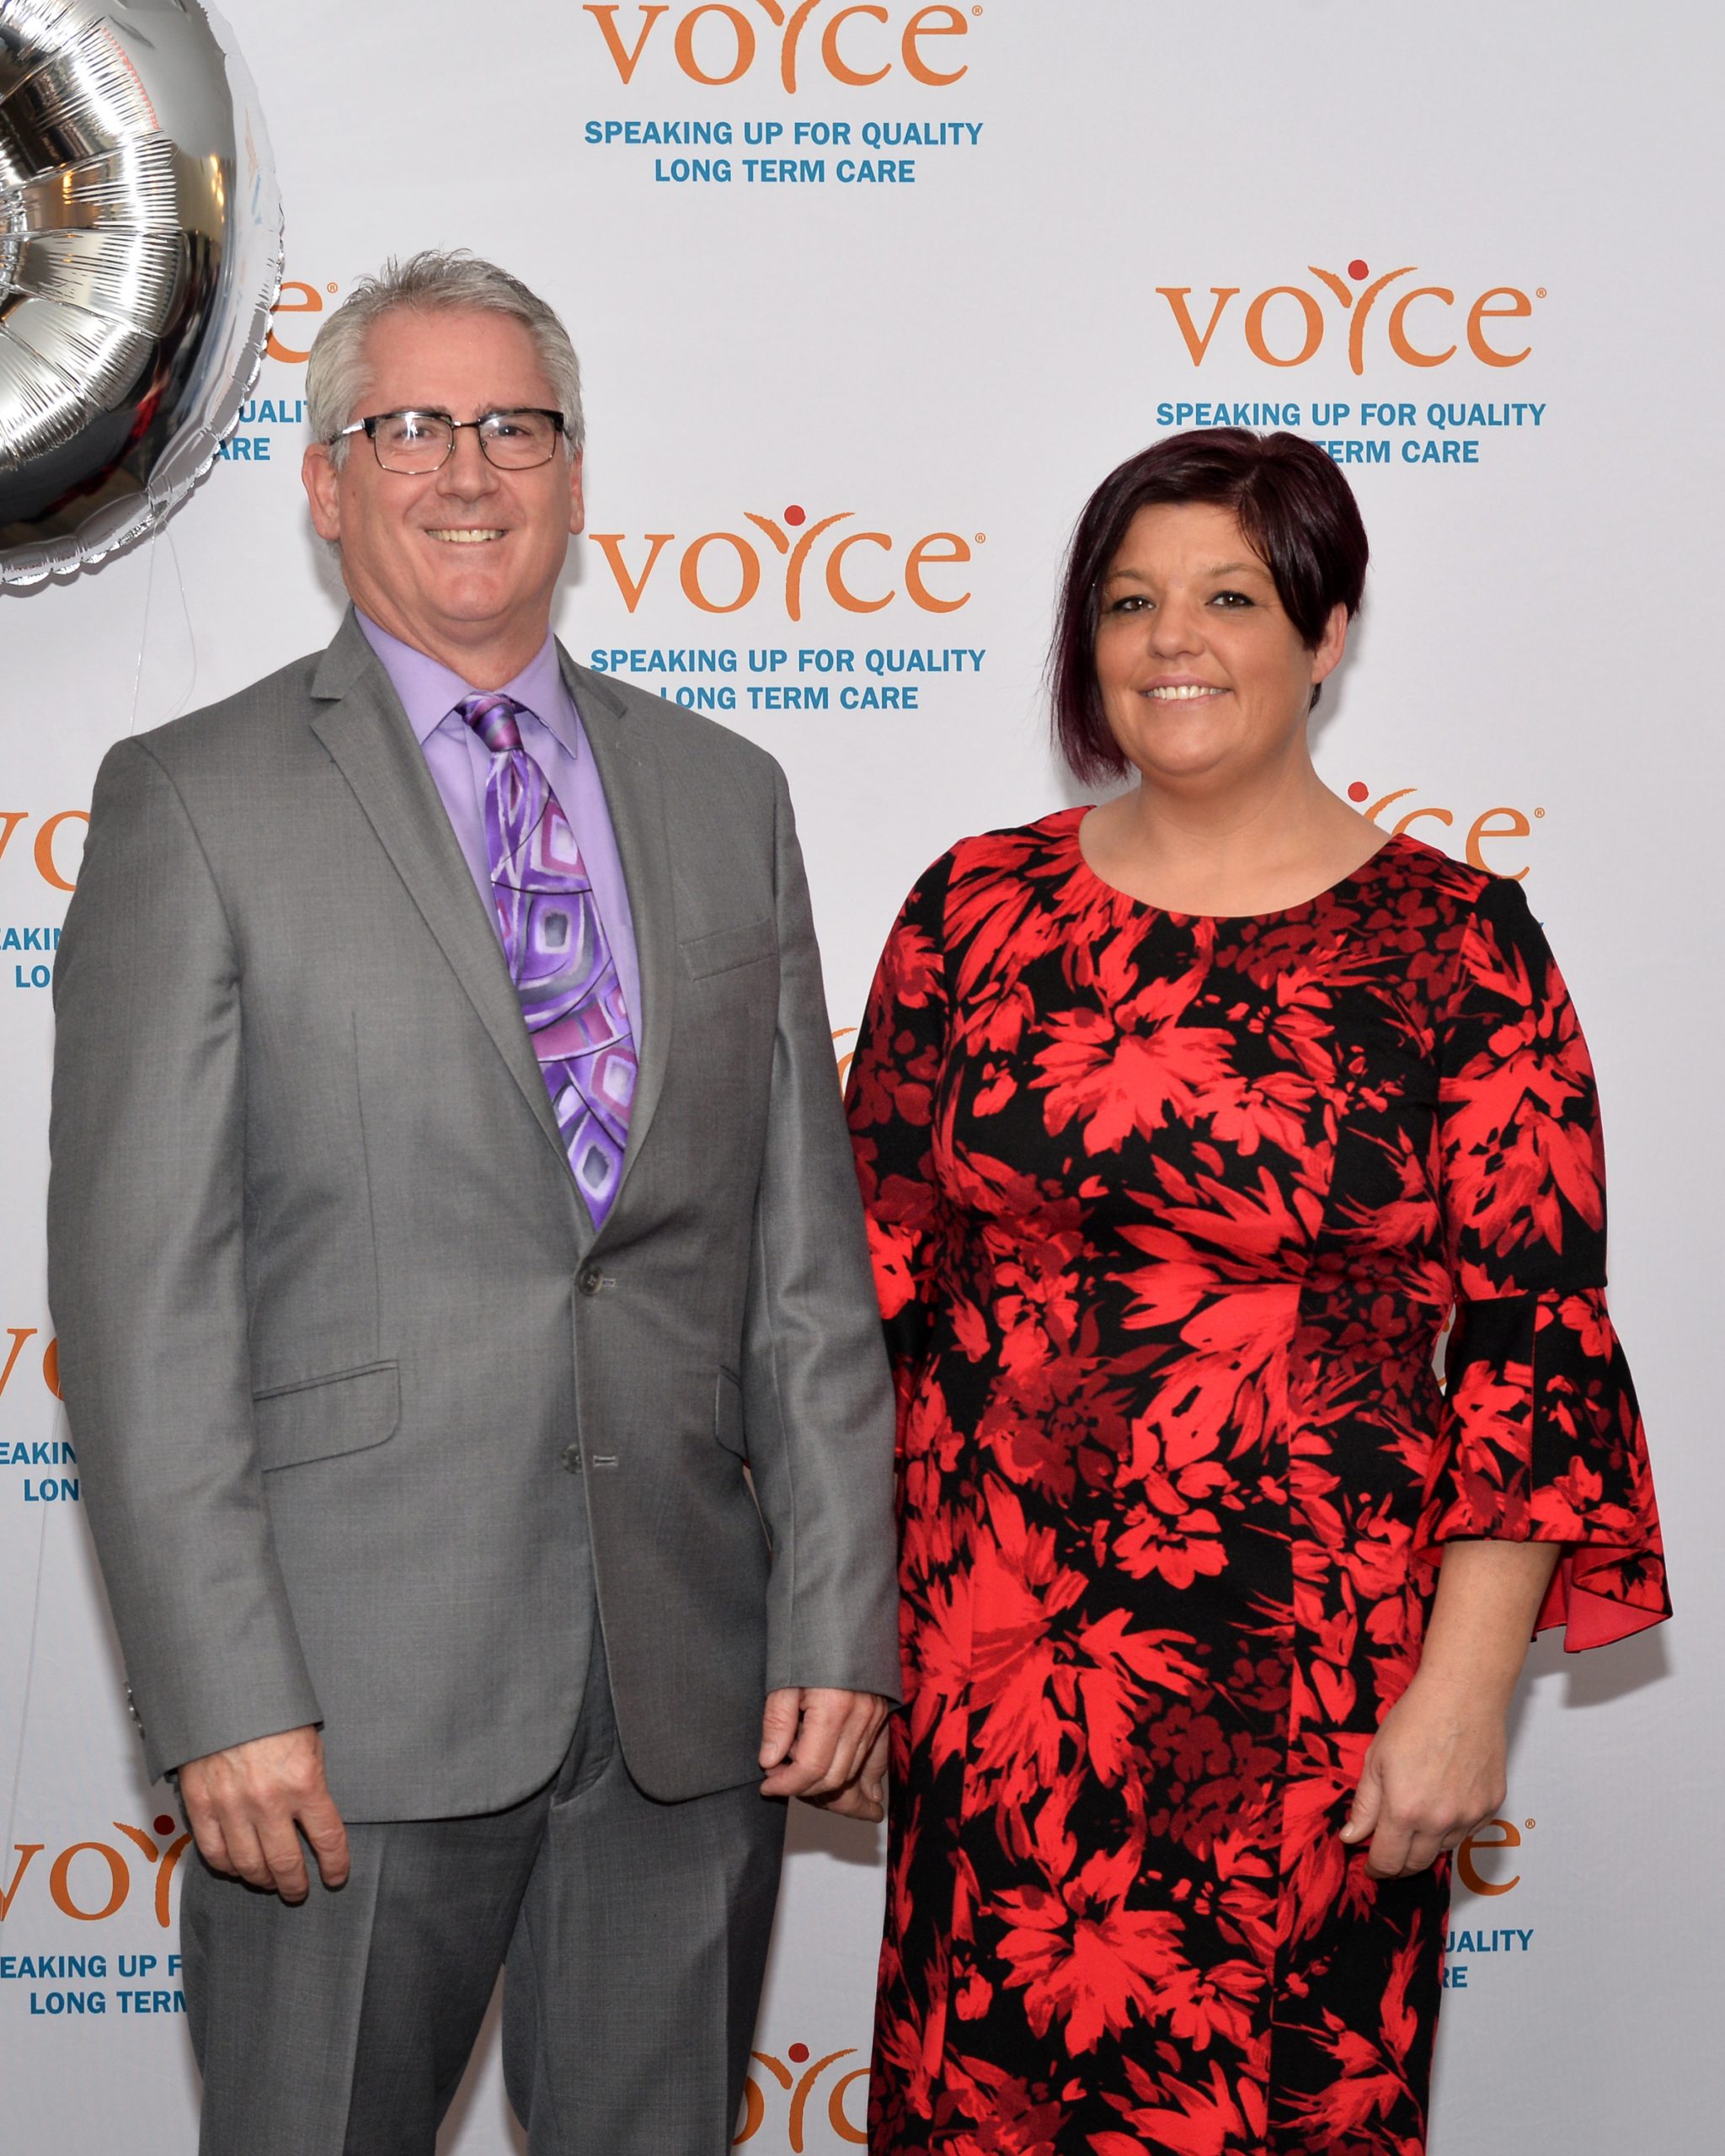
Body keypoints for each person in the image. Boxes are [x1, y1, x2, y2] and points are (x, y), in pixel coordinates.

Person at [47, 249, 899, 2156]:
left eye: (515, 426)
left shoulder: (728, 793)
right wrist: (221, 1695)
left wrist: (839, 1615)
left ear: (575, 475)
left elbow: (803, 1270)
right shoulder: (195, 800)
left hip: (686, 1699)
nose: (465, 470)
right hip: (340, 1711)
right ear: (324, 479)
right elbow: (140, 1306)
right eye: (408, 426)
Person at [843, 427, 1668, 2154]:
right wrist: (831, 1638)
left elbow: (1534, 1344)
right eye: (1128, 600)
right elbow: (858, 1291)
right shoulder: (973, 912)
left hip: (1313, 1695)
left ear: (1327, 629)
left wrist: (1464, 1695)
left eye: (1228, 597)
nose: (1171, 639)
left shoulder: (1460, 945)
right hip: (994, 1672)